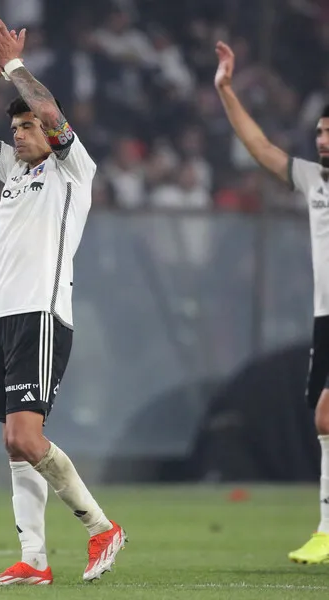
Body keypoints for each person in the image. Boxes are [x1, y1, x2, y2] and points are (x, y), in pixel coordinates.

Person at [0, 17, 126, 585]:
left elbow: (52, 115)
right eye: (18, 127)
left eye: (27, 126)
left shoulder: (72, 168)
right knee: (12, 441)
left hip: (43, 315)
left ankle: (102, 527)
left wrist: (14, 68)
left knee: (26, 436)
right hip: (6, 318)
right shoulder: (12, 168)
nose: (23, 133)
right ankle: (33, 559)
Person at [214, 40, 329, 564]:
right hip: (325, 318)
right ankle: (326, 531)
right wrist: (226, 90)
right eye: (321, 131)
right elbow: (261, 148)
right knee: (324, 420)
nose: (322, 138)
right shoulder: (314, 180)